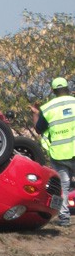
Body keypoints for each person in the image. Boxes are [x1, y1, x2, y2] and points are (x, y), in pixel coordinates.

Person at [31, 77, 75, 227]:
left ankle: (64, 218)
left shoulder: (48, 108)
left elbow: (38, 129)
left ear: (53, 91)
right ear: (67, 88)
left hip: (59, 154)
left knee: (63, 186)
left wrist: (35, 113)